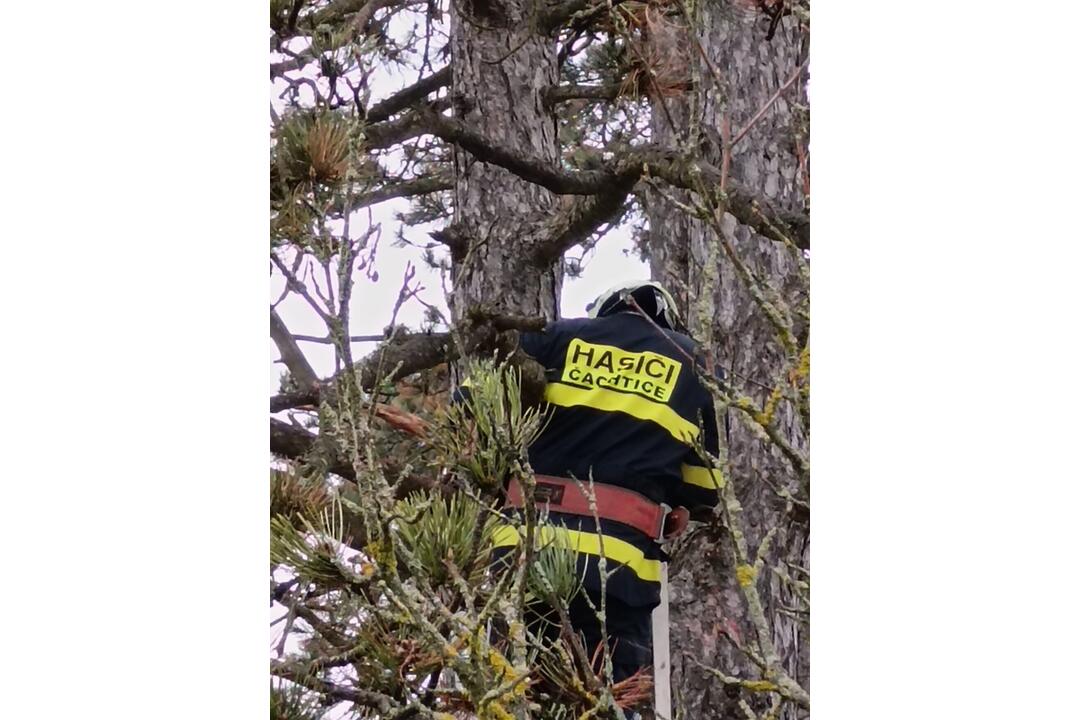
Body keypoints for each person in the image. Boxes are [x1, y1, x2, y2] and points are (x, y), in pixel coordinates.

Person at [491, 280, 725, 690]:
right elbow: (704, 488)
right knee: (607, 696)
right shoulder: (692, 363)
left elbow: (471, 406)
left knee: (510, 689)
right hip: (617, 567)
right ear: (668, 322)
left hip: (524, 547)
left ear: (605, 313)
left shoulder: (553, 337)